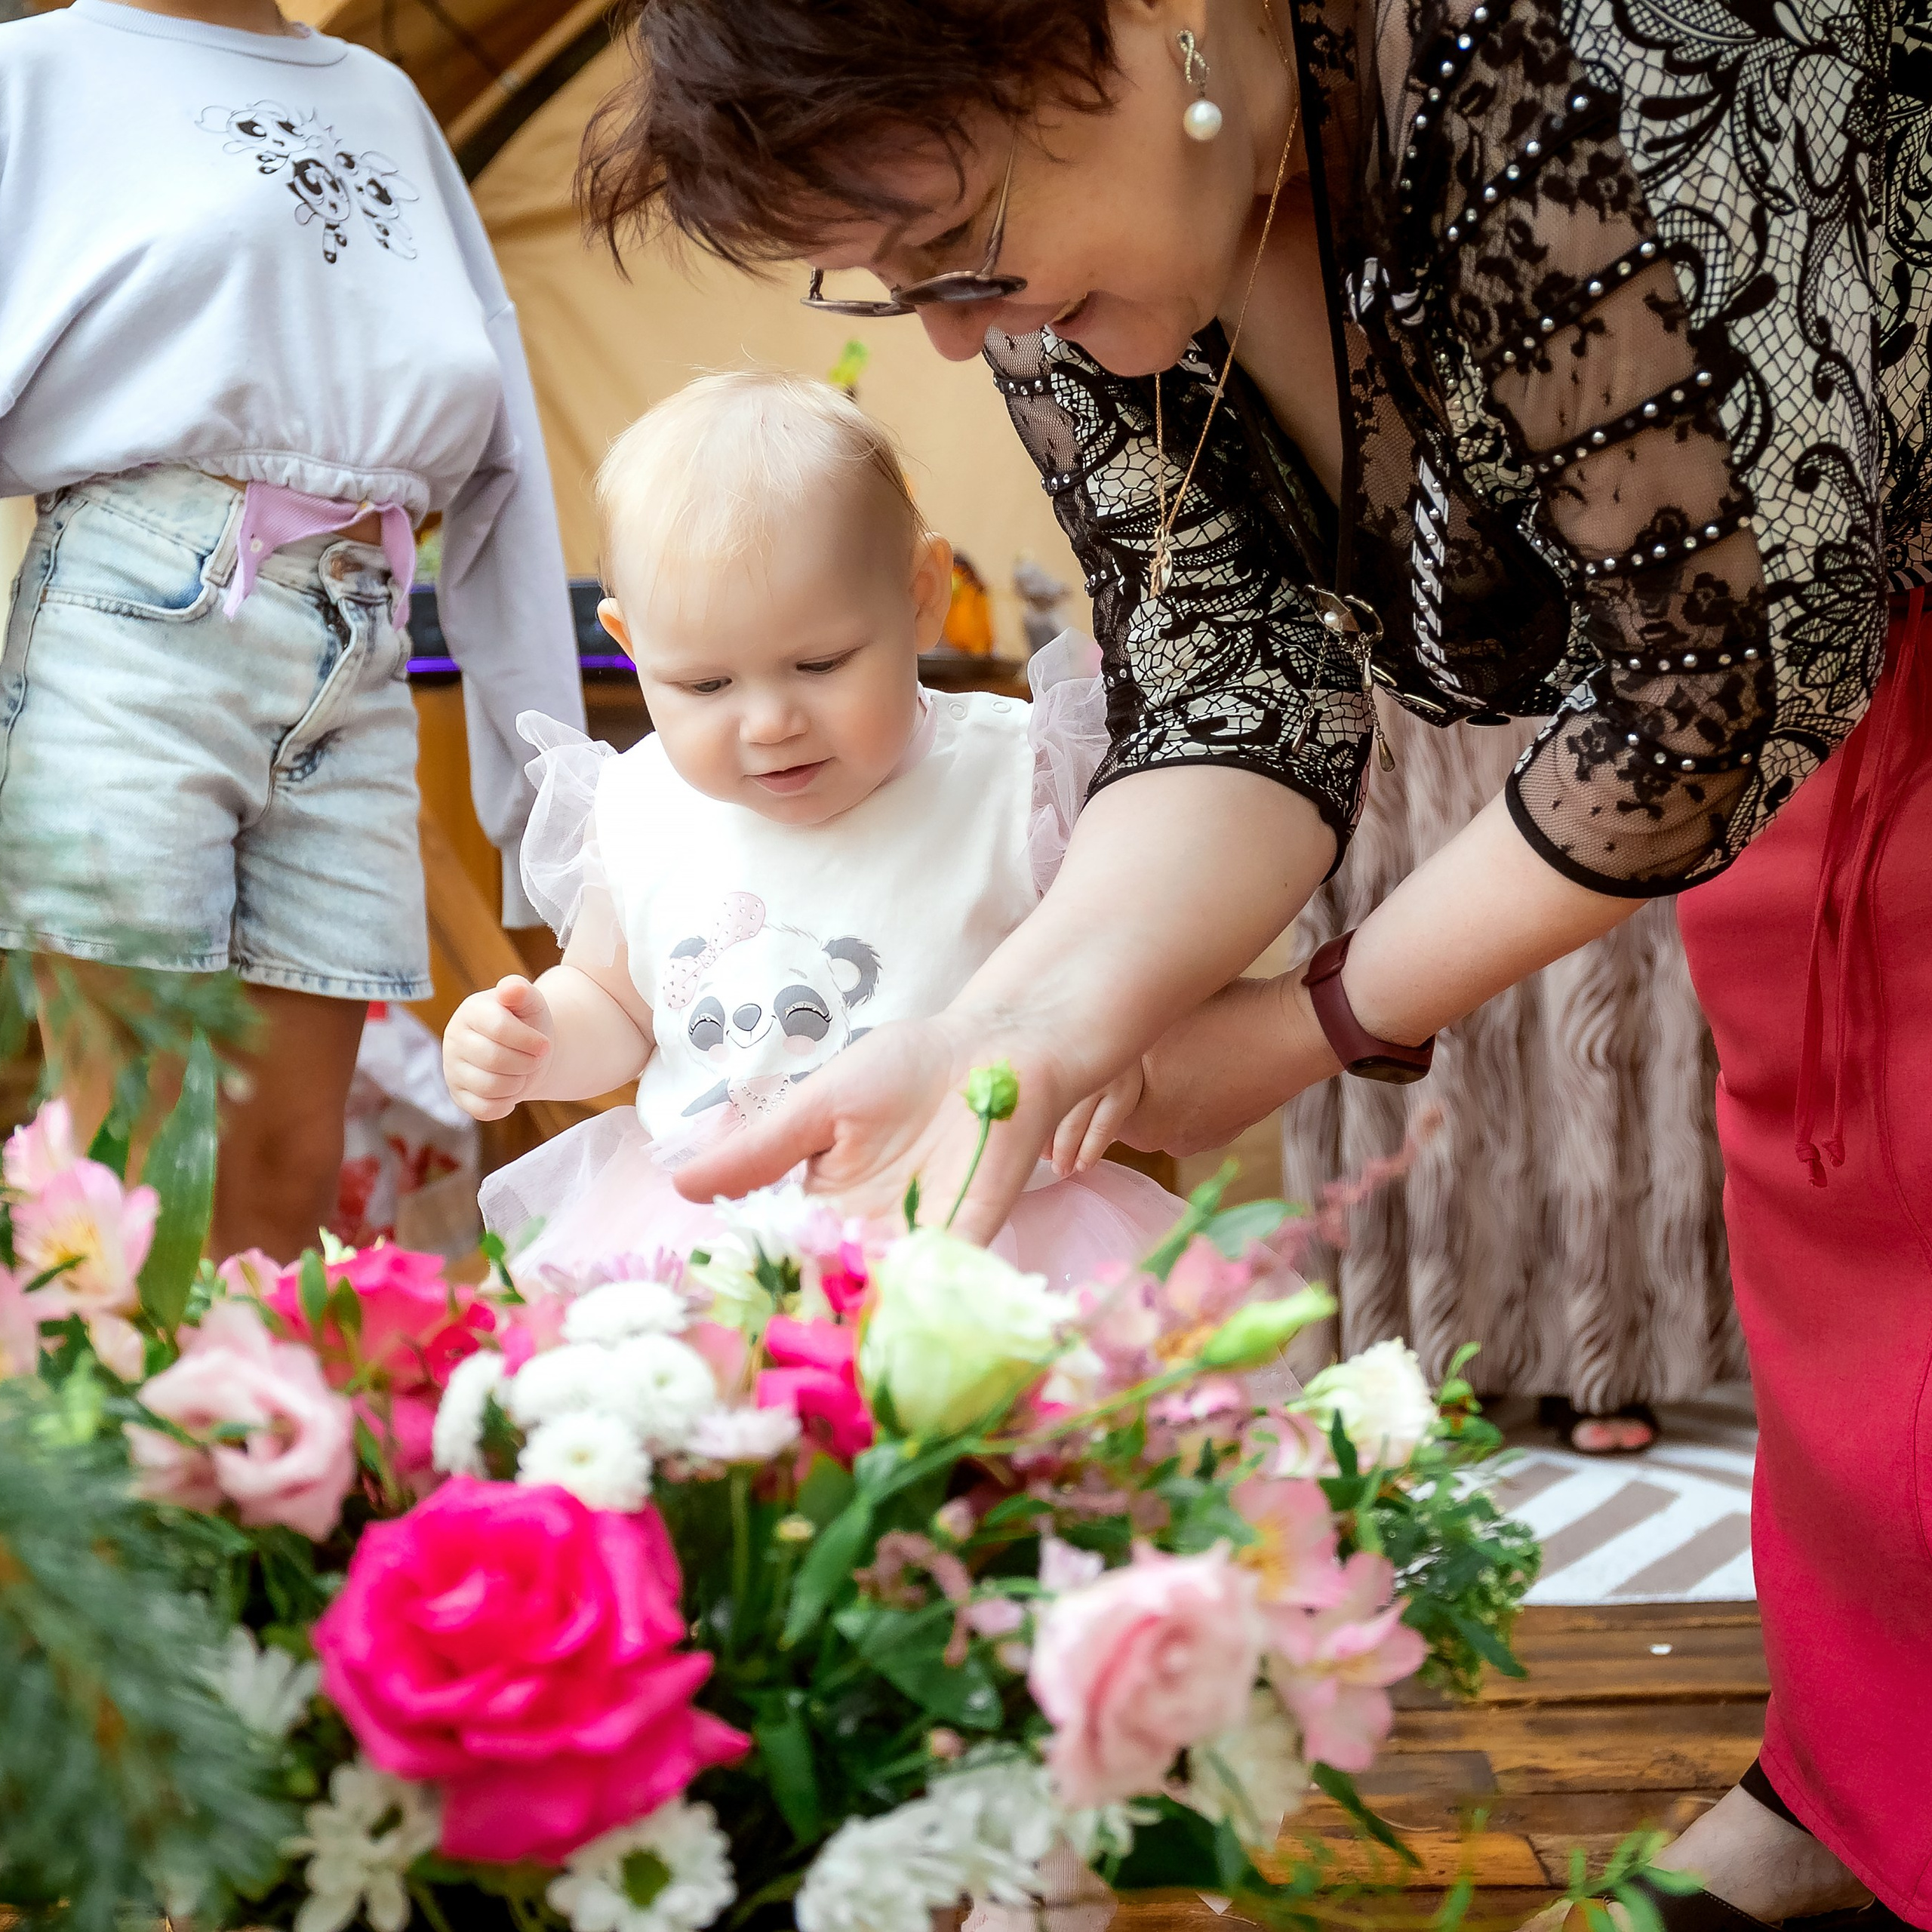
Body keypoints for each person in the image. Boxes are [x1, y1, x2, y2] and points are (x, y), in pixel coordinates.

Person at [573, 0, 1932, 1921]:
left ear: (1147, 23)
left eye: (953, 251)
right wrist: (1010, 1031)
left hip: (1786, 668)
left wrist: (1313, 1016)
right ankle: (1849, 1777)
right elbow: (1221, 673)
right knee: (1844, 1236)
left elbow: (1702, 686)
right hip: (1799, 750)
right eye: (895, 291)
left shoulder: (1575, 61)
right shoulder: (1076, 283)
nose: (955, 331)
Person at [0, 0, 583, 1264]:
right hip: (138, 608)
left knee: (293, 1167)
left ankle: (268, 1455)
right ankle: (109, 1464)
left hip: (363, 628)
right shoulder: (30, 74)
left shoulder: (380, 94)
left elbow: (505, 438)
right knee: (125, 1160)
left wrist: (549, 787)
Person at [440, 372, 1185, 1289]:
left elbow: (1118, 956)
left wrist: (1109, 1045)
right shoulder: (639, 806)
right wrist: (539, 1037)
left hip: (976, 1236)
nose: (768, 723)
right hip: (709, 1236)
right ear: (629, 643)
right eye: (706, 685)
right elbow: (624, 1008)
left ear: (921, 597)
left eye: (820, 663)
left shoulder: (1013, 775)